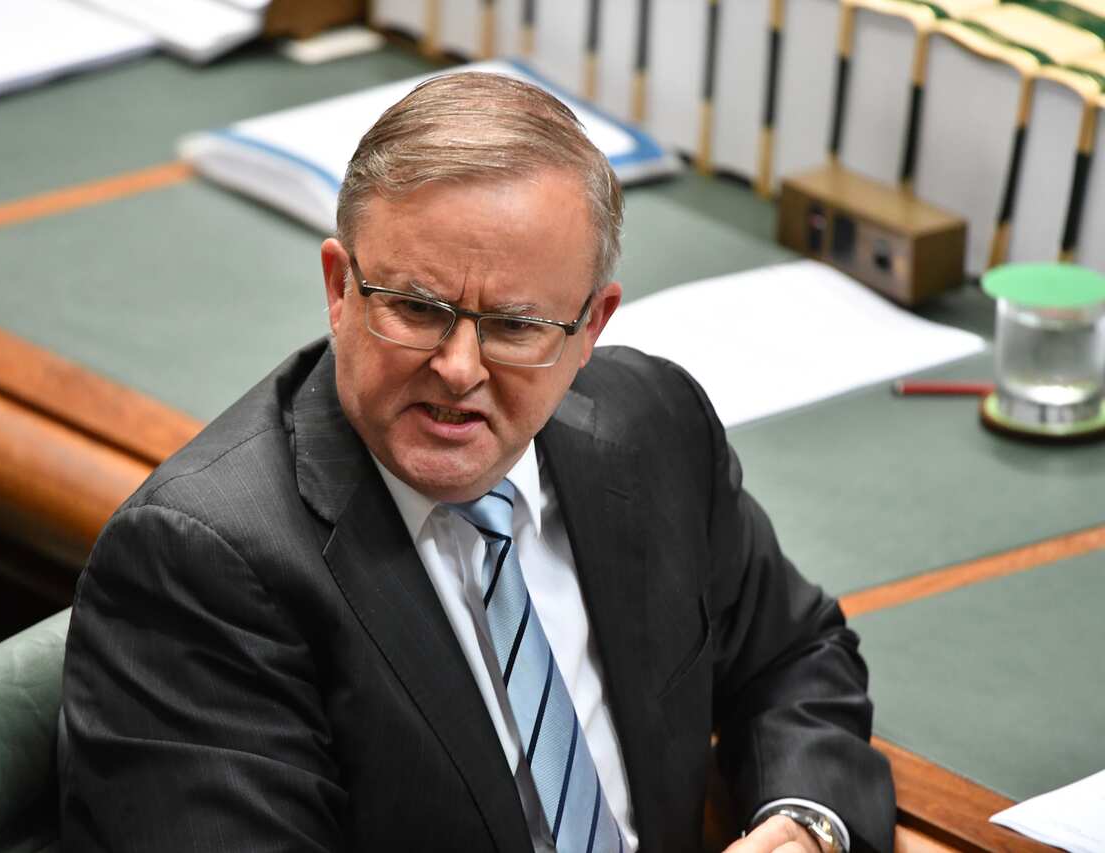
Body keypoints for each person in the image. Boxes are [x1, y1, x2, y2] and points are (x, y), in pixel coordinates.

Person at [59, 72, 895, 853]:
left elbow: (797, 655)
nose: (460, 368)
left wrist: (806, 822)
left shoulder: (652, 430)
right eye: (419, 309)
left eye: (514, 326)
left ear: (589, 329)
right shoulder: (202, 564)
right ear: (339, 288)